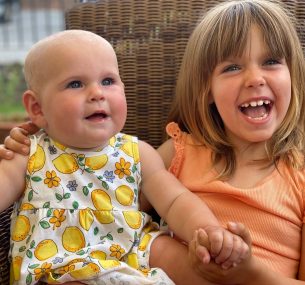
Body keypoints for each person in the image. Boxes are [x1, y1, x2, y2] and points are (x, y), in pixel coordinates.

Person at [4, 0, 305, 284]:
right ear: (207, 89)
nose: (254, 78)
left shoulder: (300, 178)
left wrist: (245, 271)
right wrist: (31, 147)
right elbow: (107, 190)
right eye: (232, 67)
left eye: (271, 61)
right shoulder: (180, 151)